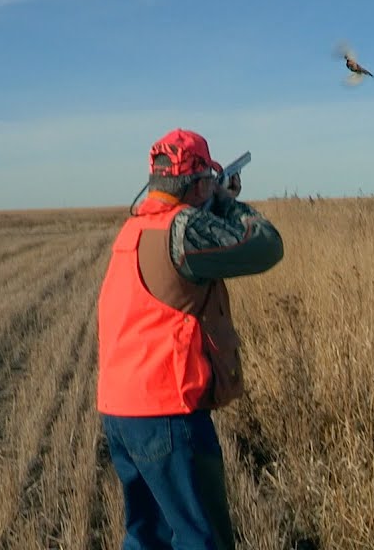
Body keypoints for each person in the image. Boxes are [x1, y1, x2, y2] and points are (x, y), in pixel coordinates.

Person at [97, 128, 284, 550]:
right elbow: (266, 246)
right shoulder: (183, 228)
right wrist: (228, 203)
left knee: (146, 537)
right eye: (207, 182)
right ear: (199, 185)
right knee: (201, 539)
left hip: (120, 412)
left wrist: (212, 199)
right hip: (168, 413)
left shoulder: (133, 230)